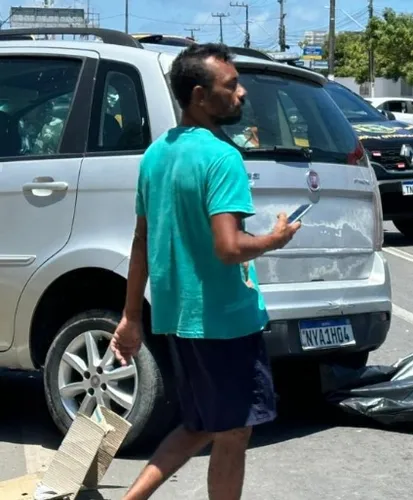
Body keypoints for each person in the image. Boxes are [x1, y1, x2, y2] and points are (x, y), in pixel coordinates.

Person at [110, 43, 301, 500]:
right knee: (233, 431)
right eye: (231, 85)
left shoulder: (156, 155)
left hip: (179, 318)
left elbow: (140, 241)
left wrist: (132, 316)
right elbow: (229, 247)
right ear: (199, 95)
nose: (242, 93)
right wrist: (274, 239)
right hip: (223, 321)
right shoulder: (222, 157)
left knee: (202, 424)